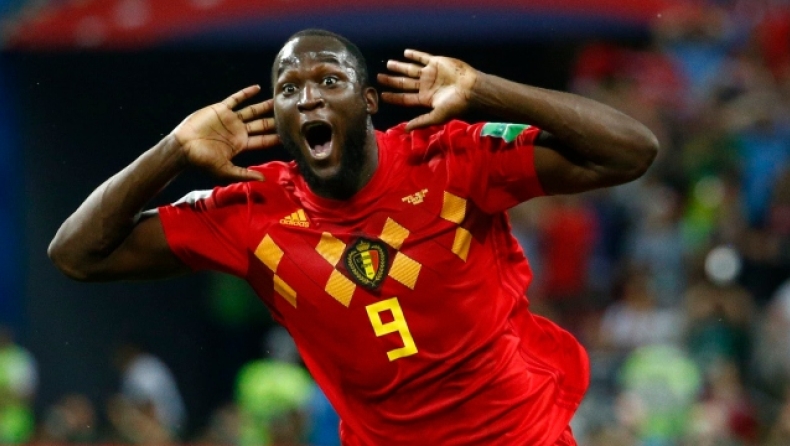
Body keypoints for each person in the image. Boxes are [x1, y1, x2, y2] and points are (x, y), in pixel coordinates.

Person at [48, 28, 658, 445]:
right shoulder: (251, 211)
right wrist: (173, 150)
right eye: (289, 89)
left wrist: (485, 89)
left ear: (368, 101)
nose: (309, 97)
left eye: (329, 81)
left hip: (521, 435)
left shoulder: (450, 160)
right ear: (278, 117)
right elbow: (76, 255)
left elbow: (631, 151)